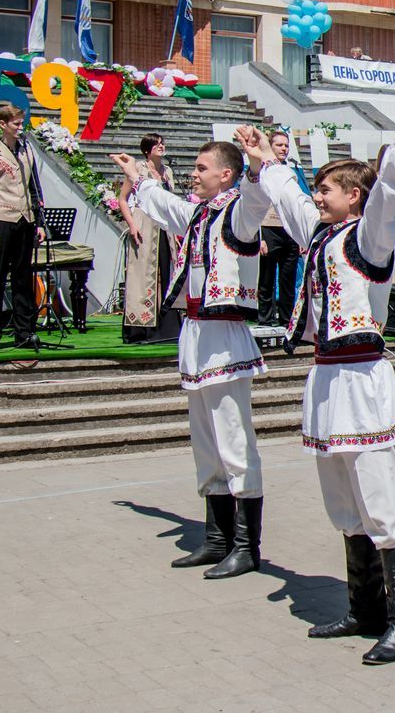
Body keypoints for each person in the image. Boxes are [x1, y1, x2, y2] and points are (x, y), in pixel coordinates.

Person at [233, 71, 395, 666]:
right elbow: (290, 202)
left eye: (327, 189)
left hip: (363, 378)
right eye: (317, 189)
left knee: (381, 501)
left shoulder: (367, 239)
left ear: (354, 196)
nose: (317, 196)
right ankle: (365, 608)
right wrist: (263, 161)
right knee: (343, 503)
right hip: (325, 379)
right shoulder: (319, 237)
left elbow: (393, 189)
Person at [110, 139, 272, 579]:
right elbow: (163, 205)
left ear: (225, 174)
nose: (193, 174)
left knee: (234, 443)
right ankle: (216, 538)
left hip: (224, 335)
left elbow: (257, 200)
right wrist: (137, 176)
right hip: (197, 332)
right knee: (206, 444)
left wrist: (255, 168)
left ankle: (246, 545)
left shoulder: (237, 211)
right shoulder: (201, 213)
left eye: (202, 168)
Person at [0, 104, 45, 347]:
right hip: (2, 219)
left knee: (23, 277)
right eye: (16, 124)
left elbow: (34, 188)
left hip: (25, 219)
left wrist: (38, 222)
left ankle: (24, 331)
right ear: (3, 125)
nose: (20, 128)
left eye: (21, 123)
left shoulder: (27, 152)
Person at [117, 133, 183, 344]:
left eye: (162, 143)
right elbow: (123, 199)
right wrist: (132, 224)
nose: (161, 146)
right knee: (144, 273)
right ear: (147, 149)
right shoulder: (137, 168)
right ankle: (141, 327)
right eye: (156, 144)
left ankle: (167, 326)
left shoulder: (167, 171)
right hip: (145, 223)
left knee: (167, 270)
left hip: (165, 226)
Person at [257, 131, 309, 326]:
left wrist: (301, 236)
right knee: (267, 276)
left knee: (288, 277)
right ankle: (265, 317)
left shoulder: (291, 171)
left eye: (286, 145)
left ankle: (287, 318)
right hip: (268, 227)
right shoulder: (262, 171)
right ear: (270, 147)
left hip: (289, 230)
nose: (284, 149)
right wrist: (259, 236)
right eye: (279, 145)